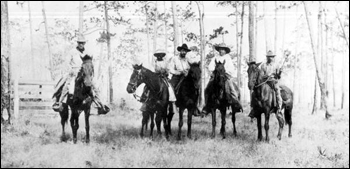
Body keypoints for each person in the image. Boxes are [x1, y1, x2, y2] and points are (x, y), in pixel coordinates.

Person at [53, 35, 109, 114]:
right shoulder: (72, 52)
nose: (81, 44)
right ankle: (59, 103)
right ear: (77, 43)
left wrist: (90, 72)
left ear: (84, 43)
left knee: (94, 87)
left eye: (82, 43)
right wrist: (71, 70)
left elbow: (90, 63)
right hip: (74, 72)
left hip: (85, 74)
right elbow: (67, 62)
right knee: (67, 86)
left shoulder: (87, 53)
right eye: (79, 43)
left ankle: (101, 105)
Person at [202, 43, 242, 115]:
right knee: (207, 89)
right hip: (216, 75)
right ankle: (207, 106)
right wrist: (214, 71)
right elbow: (210, 66)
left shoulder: (228, 58)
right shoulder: (215, 58)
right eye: (220, 49)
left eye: (223, 50)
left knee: (232, 89)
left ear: (225, 51)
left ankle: (236, 104)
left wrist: (225, 71)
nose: (221, 51)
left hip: (225, 76)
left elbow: (231, 68)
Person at [248, 50, 283, 118]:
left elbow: (278, 77)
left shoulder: (276, 65)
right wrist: (267, 75)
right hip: (265, 82)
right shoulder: (263, 65)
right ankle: (253, 109)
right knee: (254, 93)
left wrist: (279, 73)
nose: (270, 58)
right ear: (267, 57)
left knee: (277, 92)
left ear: (273, 57)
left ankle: (279, 108)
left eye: (271, 57)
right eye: (268, 57)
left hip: (273, 81)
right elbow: (261, 75)